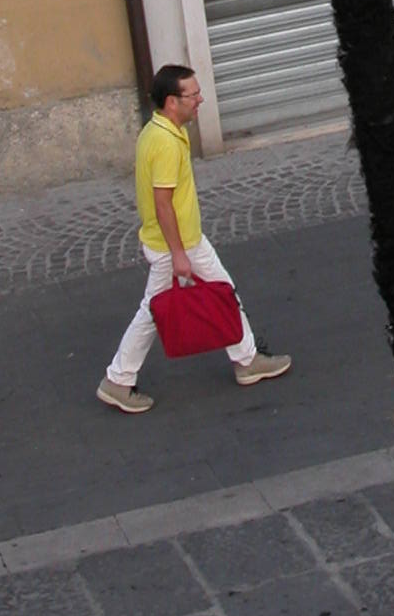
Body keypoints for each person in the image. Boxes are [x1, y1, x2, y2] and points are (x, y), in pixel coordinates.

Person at [99, 63, 289, 414]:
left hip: (180, 240)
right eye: (193, 94)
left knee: (217, 291)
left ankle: (246, 358)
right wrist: (178, 254)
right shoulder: (166, 143)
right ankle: (118, 379)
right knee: (157, 310)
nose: (200, 100)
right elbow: (163, 203)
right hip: (177, 244)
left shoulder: (157, 131)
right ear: (172, 101)